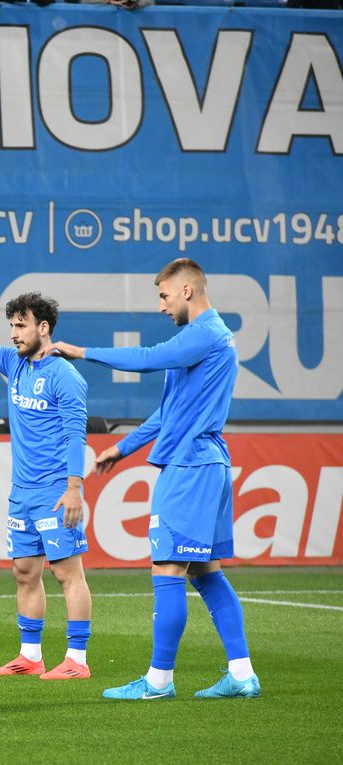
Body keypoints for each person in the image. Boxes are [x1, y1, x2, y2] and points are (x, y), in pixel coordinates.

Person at [51, 257, 260, 700]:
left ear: (187, 290)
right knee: (206, 573)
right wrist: (123, 447)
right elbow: (170, 412)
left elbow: (148, 359)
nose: (161, 306)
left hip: (188, 469)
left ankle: (158, 681)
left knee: (167, 569)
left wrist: (83, 352)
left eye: (164, 296)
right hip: (210, 464)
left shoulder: (203, 334)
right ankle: (242, 674)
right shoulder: (208, 340)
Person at [0, 280, 93, 680]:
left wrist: (73, 488)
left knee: (67, 573)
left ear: (43, 328)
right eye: (12, 326)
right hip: (21, 493)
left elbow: (74, 435)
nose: (14, 334)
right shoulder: (15, 363)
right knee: (24, 571)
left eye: (21, 326)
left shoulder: (65, 376)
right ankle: (30, 656)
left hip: (54, 492)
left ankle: (77, 661)